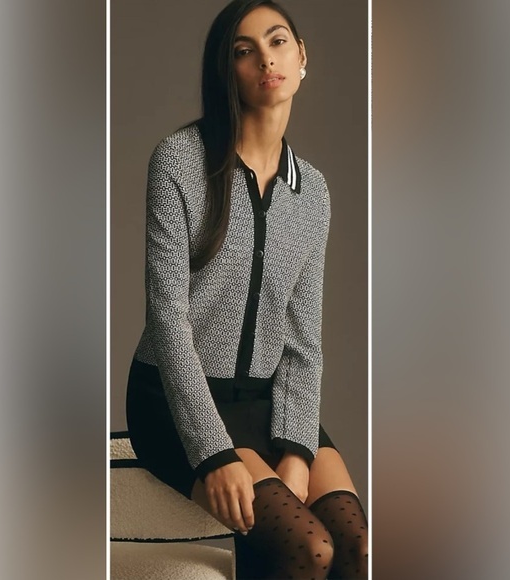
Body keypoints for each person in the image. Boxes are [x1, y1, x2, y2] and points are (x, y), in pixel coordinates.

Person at [125, 1, 368, 578]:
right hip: (174, 397)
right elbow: (169, 322)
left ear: (302, 56)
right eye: (244, 50)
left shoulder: (313, 192)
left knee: (358, 549)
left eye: (278, 42)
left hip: (265, 400)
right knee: (307, 547)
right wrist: (212, 451)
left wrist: (298, 451)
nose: (266, 59)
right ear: (226, 71)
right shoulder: (180, 162)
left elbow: (303, 339)